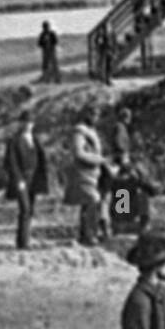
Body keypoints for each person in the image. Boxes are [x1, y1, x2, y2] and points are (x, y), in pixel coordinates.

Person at [4, 109, 50, 250]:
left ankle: (24, 239)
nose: (28, 125)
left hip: (34, 179)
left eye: (30, 122)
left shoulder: (35, 139)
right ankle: (23, 242)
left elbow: (42, 160)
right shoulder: (14, 140)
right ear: (20, 123)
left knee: (30, 210)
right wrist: (18, 180)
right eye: (25, 122)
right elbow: (10, 162)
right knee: (25, 208)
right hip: (22, 179)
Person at [67, 104, 108, 246]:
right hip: (85, 172)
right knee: (93, 201)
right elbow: (79, 152)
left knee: (99, 201)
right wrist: (101, 160)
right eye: (94, 115)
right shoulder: (81, 131)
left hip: (96, 171)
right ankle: (90, 234)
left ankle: (98, 231)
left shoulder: (92, 131)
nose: (96, 118)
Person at [109, 155, 158, 236]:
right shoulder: (123, 180)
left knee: (140, 195)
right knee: (142, 195)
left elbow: (152, 191)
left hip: (121, 223)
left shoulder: (115, 179)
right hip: (123, 222)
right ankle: (143, 226)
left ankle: (136, 226)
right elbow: (152, 191)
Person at [37, 20, 61, 84]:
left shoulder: (52, 33)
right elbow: (39, 44)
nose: (46, 28)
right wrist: (44, 42)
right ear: (43, 27)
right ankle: (47, 80)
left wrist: (51, 44)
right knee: (45, 66)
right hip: (45, 52)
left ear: (48, 27)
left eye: (47, 27)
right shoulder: (42, 35)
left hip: (52, 51)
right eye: (45, 27)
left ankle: (57, 79)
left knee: (54, 65)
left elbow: (56, 41)